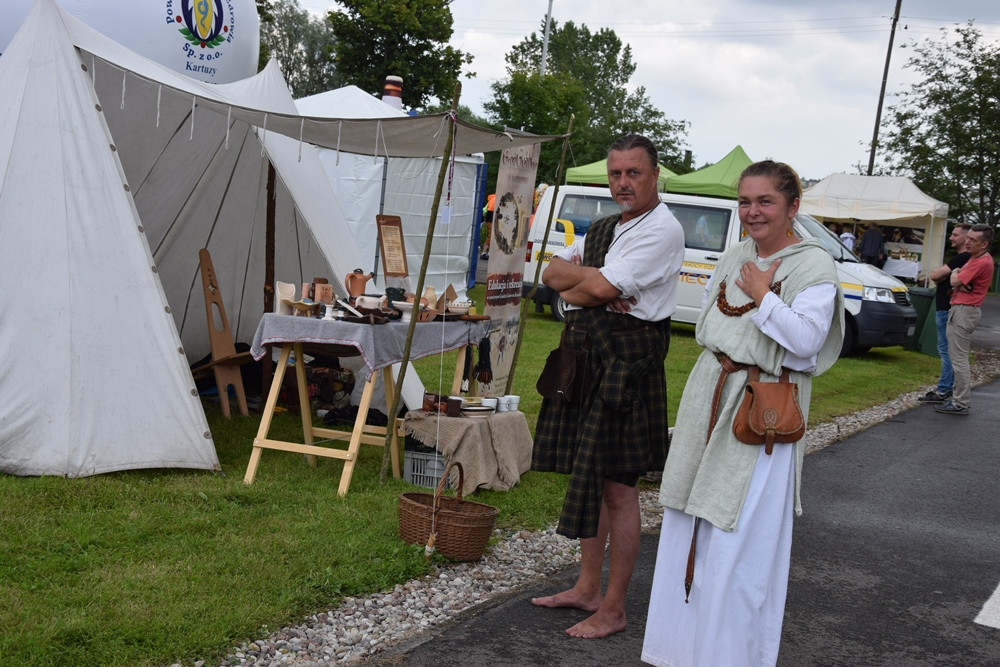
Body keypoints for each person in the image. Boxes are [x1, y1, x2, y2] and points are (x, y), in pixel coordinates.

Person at [641, 160, 844, 666]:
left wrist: (761, 297)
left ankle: (728, 657)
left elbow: (806, 343)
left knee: (736, 543)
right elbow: (710, 317)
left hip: (760, 415)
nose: (753, 212)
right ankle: (678, 652)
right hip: (709, 394)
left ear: (793, 206)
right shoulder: (736, 253)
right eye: (746, 201)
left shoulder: (814, 266)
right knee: (687, 521)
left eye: (765, 202)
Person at [530, 134, 685, 638]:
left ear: (654, 175)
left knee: (619, 488)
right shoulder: (602, 229)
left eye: (633, 173)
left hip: (626, 368)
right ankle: (587, 588)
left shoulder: (662, 230)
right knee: (592, 477)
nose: (622, 183)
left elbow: (591, 288)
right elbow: (550, 271)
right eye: (615, 173)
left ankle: (614, 608)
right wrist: (595, 284)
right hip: (589, 362)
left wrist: (592, 286)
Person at [935, 223, 995, 416]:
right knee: (955, 356)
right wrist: (959, 278)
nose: (967, 242)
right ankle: (957, 397)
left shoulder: (981, 262)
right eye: (967, 238)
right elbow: (958, 281)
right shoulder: (975, 258)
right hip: (960, 308)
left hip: (965, 311)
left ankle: (960, 402)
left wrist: (956, 275)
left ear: (984, 244)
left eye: (973, 240)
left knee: (959, 359)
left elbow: (953, 281)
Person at [917, 223, 971, 404]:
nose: (951, 238)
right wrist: (942, 277)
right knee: (950, 351)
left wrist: (942, 276)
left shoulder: (961, 259)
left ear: (965, 237)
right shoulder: (963, 259)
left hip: (948, 310)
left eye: (955, 235)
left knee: (947, 351)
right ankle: (948, 388)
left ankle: (944, 390)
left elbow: (934, 276)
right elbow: (938, 276)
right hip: (948, 308)